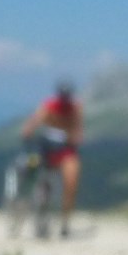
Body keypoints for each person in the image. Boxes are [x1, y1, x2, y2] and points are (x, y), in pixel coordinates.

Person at [18, 80, 84, 237]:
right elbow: (36, 120)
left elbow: (78, 131)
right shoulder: (49, 106)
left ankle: (65, 222)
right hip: (47, 148)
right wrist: (28, 130)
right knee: (35, 166)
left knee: (71, 180)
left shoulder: (75, 109)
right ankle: (32, 197)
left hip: (66, 150)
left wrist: (74, 138)